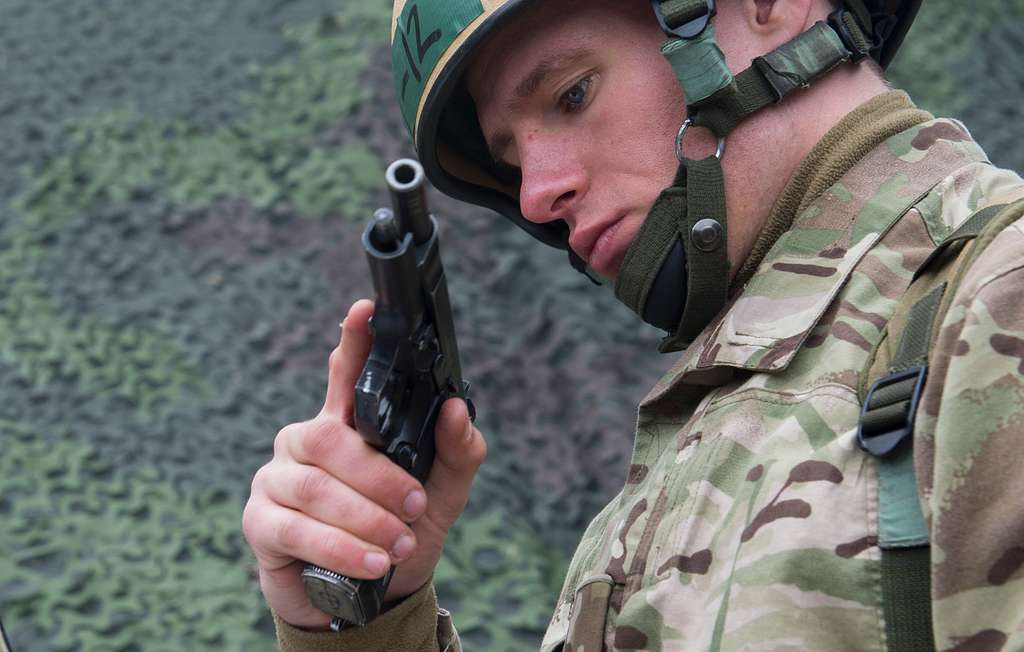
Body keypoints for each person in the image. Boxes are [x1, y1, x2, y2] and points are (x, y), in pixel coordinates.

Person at [242, 0, 1024, 649]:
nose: (536, 194)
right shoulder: (711, 427)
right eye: (512, 163)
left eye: (572, 94)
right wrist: (366, 617)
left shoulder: (994, 297)